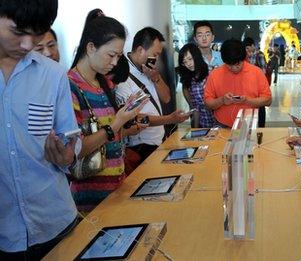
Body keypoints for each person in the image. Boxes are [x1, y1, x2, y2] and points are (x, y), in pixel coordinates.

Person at [0, 0, 79, 259]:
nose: (27, 44)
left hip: (55, 222)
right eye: (18, 32)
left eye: (36, 34)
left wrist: (68, 156)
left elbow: (70, 139)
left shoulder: (53, 74)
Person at [69, 15, 146, 213]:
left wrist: (125, 115)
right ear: (90, 47)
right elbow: (75, 150)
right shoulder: (70, 87)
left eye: (119, 56)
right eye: (111, 55)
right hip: (90, 198)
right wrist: (116, 123)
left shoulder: (105, 83)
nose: (114, 62)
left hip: (116, 188)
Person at [116, 27, 188, 162]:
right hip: (140, 146)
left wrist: (156, 77)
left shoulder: (149, 69)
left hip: (158, 140)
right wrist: (169, 119)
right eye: (154, 54)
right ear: (140, 50)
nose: (156, 59)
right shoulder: (122, 75)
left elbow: (166, 98)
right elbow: (133, 118)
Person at [204, 38, 272, 128]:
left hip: (249, 125)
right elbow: (208, 103)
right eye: (229, 65)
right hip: (222, 125)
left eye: (237, 64)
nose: (234, 68)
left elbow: (268, 100)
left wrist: (247, 100)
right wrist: (222, 100)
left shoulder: (256, 72)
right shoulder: (215, 74)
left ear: (243, 58)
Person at [176, 43, 215, 128]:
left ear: (197, 56)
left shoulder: (212, 72)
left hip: (218, 124)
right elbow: (194, 108)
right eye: (184, 62)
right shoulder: (188, 80)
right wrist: (195, 130)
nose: (188, 64)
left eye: (190, 59)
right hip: (203, 125)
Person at [243, 37, 267, 128]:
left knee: (260, 106)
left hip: (258, 87)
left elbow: (263, 71)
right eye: (246, 48)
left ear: (253, 46)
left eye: (249, 47)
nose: (248, 50)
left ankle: (260, 128)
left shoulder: (259, 55)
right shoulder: (246, 56)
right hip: (250, 88)